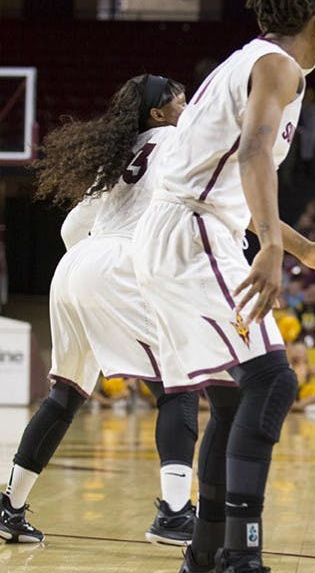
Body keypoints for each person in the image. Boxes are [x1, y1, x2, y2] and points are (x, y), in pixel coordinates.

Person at [132, 0, 315, 573]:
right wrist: (271, 242)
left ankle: (204, 561)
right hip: (192, 235)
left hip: (182, 233)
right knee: (272, 380)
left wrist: (298, 247)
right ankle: (239, 568)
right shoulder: (275, 70)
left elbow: (234, 174)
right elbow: (256, 154)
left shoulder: (260, 62)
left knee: (235, 400)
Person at [0, 74, 200, 547]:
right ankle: (174, 512)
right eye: (180, 100)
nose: (188, 106)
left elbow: (72, 227)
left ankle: (9, 506)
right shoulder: (176, 140)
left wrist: (90, 274)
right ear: (159, 114)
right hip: (119, 263)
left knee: (65, 395)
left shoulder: (118, 158)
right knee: (178, 383)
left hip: (74, 266)